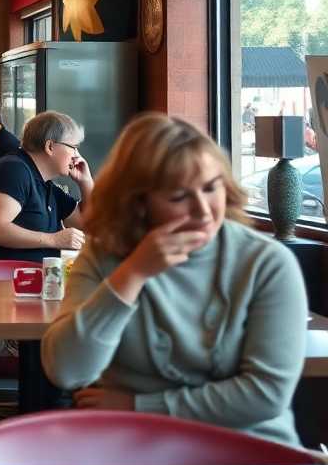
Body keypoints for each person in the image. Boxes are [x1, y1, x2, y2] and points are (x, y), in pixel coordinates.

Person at [42, 113, 308, 445]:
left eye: (212, 188)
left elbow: (266, 395)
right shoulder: (104, 256)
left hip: (249, 453)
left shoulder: (266, 263)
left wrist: (139, 407)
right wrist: (133, 274)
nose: (204, 211)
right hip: (133, 452)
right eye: (179, 197)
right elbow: (67, 370)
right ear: (138, 203)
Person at [0, 110, 89, 270]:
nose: (77, 155)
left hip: (18, 283)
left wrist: (86, 182)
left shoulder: (45, 183)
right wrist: (54, 240)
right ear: (50, 146)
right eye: (73, 147)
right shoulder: (15, 170)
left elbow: (86, 224)